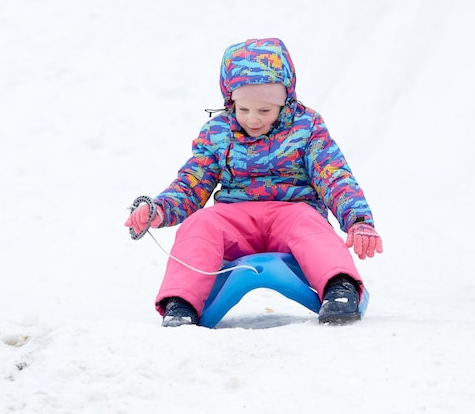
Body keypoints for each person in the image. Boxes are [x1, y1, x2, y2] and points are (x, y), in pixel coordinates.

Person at [125, 38, 383, 326]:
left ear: (286, 102)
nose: (253, 119)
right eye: (243, 109)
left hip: (292, 211)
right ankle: (181, 302)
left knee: (310, 225)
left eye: (264, 111)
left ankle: (339, 286)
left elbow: (333, 175)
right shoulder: (218, 133)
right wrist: (159, 210)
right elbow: (192, 182)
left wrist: (359, 220)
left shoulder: (307, 127)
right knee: (200, 225)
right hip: (236, 218)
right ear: (230, 101)